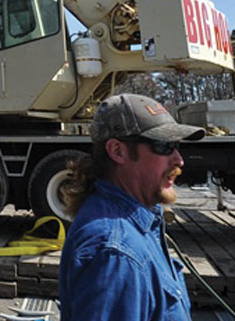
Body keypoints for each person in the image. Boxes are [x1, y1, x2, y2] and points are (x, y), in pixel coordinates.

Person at [59, 93, 205, 321]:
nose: (179, 160)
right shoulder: (115, 255)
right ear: (117, 151)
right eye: (164, 146)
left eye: (176, 145)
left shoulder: (138, 226)